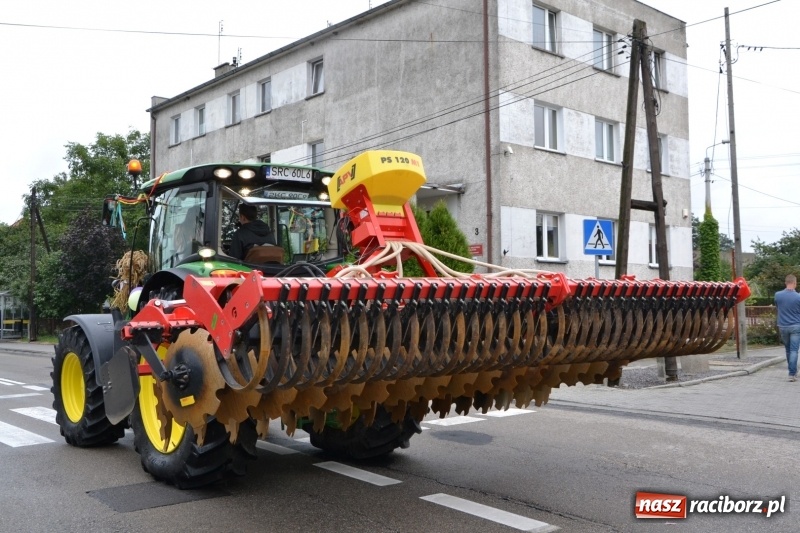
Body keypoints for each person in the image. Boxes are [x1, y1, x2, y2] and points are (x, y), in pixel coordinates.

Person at [774, 274, 800, 382]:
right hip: (795, 325)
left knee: (788, 349)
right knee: (794, 350)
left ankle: (792, 371)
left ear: (785, 283)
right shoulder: (798, 297)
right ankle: (792, 373)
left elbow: (777, 307)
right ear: (795, 283)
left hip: (783, 326)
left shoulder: (778, 295)